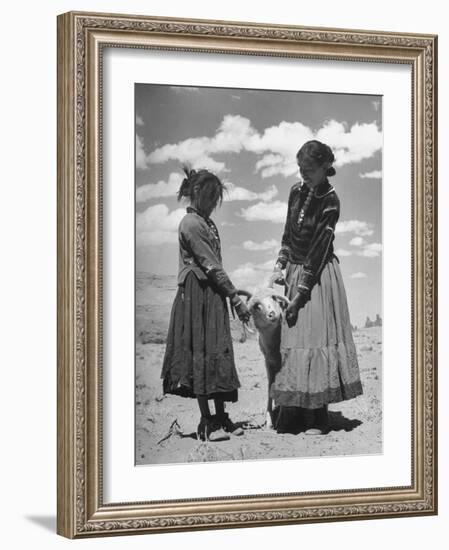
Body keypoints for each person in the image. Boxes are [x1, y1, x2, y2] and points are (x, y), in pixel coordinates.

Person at [269, 140, 363, 435]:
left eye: (308, 169)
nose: (303, 174)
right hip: (295, 272)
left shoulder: (331, 201)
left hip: (318, 276)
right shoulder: (295, 192)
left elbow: (319, 250)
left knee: (315, 341)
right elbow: (287, 234)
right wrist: (279, 266)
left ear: (325, 167)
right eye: (300, 169)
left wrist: (299, 296)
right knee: (292, 343)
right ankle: (294, 412)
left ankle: (319, 416)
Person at [161, 167, 251, 442]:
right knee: (200, 353)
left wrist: (230, 292)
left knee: (217, 351)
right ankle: (206, 421)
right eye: (211, 198)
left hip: (211, 295)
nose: (213, 205)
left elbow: (214, 265)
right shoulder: (191, 224)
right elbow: (210, 265)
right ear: (197, 193)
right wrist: (234, 296)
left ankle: (221, 416)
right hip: (197, 296)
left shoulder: (206, 223)